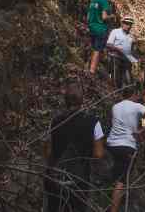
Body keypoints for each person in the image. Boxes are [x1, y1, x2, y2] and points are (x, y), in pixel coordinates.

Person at [44, 82, 105, 212]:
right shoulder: (93, 122)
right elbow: (99, 153)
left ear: (65, 101)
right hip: (79, 178)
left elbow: (49, 151)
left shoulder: (55, 121)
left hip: (56, 176)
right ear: (82, 101)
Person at [107, 84, 145, 212]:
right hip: (127, 146)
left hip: (112, 145)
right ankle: (114, 209)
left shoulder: (115, 107)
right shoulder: (137, 106)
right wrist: (142, 131)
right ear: (134, 94)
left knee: (118, 175)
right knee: (121, 181)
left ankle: (116, 201)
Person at [87, 0, 116, 75]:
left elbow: (88, 15)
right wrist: (112, 16)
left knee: (93, 48)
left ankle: (89, 67)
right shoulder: (104, 1)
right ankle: (92, 71)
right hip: (100, 29)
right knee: (97, 50)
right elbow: (104, 17)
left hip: (91, 27)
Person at [106, 15, 138, 89]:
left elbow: (132, 50)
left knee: (128, 79)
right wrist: (118, 49)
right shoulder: (115, 31)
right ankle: (115, 92)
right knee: (116, 77)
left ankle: (125, 93)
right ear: (122, 23)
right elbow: (108, 44)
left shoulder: (131, 36)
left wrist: (135, 59)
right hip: (115, 57)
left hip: (127, 60)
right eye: (126, 23)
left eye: (130, 24)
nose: (128, 25)